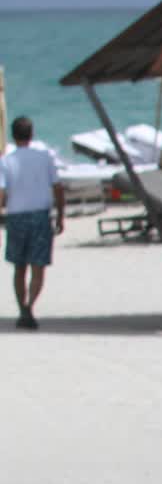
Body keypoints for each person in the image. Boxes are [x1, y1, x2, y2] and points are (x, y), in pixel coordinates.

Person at [1, 117, 66, 330]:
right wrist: (61, 215)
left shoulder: (6, 161)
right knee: (38, 267)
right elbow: (58, 188)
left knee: (19, 267)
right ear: (32, 134)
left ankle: (23, 309)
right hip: (40, 216)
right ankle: (30, 306)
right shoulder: (44, 157)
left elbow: (1, 193)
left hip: (16, 217)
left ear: (13, 135)